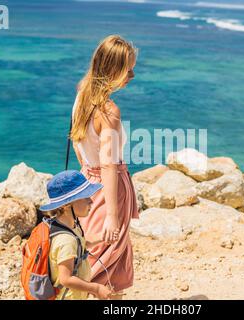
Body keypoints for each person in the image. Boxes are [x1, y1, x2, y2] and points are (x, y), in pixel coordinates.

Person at [69, 34, 139, 299]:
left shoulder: (81, 96)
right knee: (109, 264)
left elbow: (77, 145)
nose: (132, 75)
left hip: (87, 183)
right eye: (128, 69)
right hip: (110, 191)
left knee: (89, 255)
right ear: (112, 69)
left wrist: (89, 172)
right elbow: (109, 164)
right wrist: (112, 213)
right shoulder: (109, 111)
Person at [39, 170, 114, 300]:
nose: (91, 201)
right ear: (67, 205)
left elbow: (82, 244)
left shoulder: (70, 226)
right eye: (85, 198)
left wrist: (102, 238)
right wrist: (96, 288)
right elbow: (66, 279)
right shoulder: (66, 240)